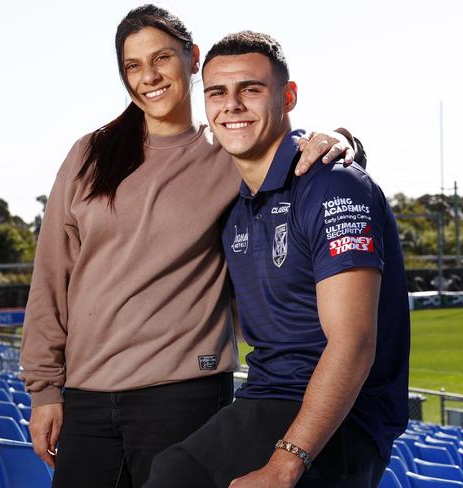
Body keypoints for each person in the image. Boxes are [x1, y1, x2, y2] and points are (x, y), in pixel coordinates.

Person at [19, 5, 367, 488]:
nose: (149, 77)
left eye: (161, 58)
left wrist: (342, 137)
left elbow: (282, 140)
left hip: (183, 395)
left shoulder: (225, 151)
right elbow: (51, 275)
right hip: (87, 399)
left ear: (193, 59)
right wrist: (43, 390)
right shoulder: (90, 154)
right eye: (133, 66)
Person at [144, 31, 410, 488]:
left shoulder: (334, 183)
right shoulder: (232, 198)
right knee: (172, 471)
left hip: (344, 416)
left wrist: (286, 462)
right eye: (216, 93)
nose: (232, 105)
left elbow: (354, 343)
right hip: (266, 395)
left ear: (287, 97)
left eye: (250, 89)